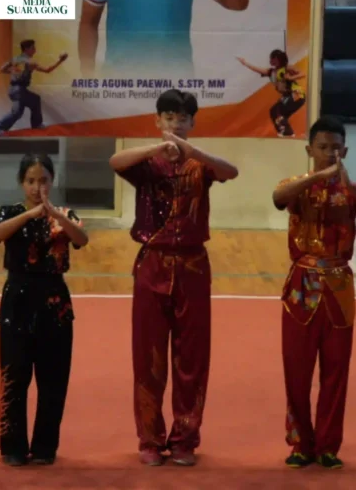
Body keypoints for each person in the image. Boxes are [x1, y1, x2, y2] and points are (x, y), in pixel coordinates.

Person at [109, 89, 239, 467]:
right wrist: (155, 149)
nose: (175, 124)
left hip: (193, 267)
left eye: (182, 118)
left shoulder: (201, 166)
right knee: (148, 357)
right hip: (153, 262)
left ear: (192, 123)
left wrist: (192, 151)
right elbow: (115, 161)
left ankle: (184, 439)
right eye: (168, 117)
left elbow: (231, 171)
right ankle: (150, 439)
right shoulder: (147, 164)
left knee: (192, 358)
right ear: (158, 121)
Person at [271, 117, 356, 470]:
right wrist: (317, 177)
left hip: (338, 285)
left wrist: (347, 185)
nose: (329, 153)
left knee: (336, 370)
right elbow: (278, 197)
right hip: (302, 286)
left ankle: (327, 446)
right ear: (310, 150)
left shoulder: (354, 190)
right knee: (297, 371)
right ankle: (300, 444)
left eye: (336, 147)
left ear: (345, 150)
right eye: (322, 147)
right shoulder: (297, 186)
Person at [0, 154, 89, 467]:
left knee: (53, 379)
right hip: (17, 299)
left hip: (54, 302)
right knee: (15, 376)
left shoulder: (65, 214)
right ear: (22, 183)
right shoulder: (9, 212)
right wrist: (30, 214)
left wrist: (53, 215)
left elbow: (82, 239)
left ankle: (45, 447)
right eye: (31, 181)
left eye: (43, 180)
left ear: (52, 181)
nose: (37, 187)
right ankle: (13, 446)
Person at [79, 0, 249, 76]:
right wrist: (86, 75)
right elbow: (88, 22)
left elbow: (238, 4)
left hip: (175, 80)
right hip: (118, 80)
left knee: (174, 138)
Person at [0, 40, 68, 136]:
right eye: (33, 48)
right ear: (26, 49)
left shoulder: (15, 59)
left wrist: (14, 71)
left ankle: (36, 124)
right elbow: (48, 70)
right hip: (19, 91)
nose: (35, 50)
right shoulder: (30, 63)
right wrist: (60, 61)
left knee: (34, 100)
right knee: (17, 113)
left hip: (14, 89)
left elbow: (2, 69)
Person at [237, 50, 305, 137]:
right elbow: (257, 69)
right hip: (287, 96)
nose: (269, 60)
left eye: (271, 58)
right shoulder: (271, 72)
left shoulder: (287, 68)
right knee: (274, 112)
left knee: (278, 110)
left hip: (297, 95)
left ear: (276, 59)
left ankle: (287, 132)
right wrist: (245, 63)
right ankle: (287, 132)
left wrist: (291, 78)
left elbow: (302, 74)